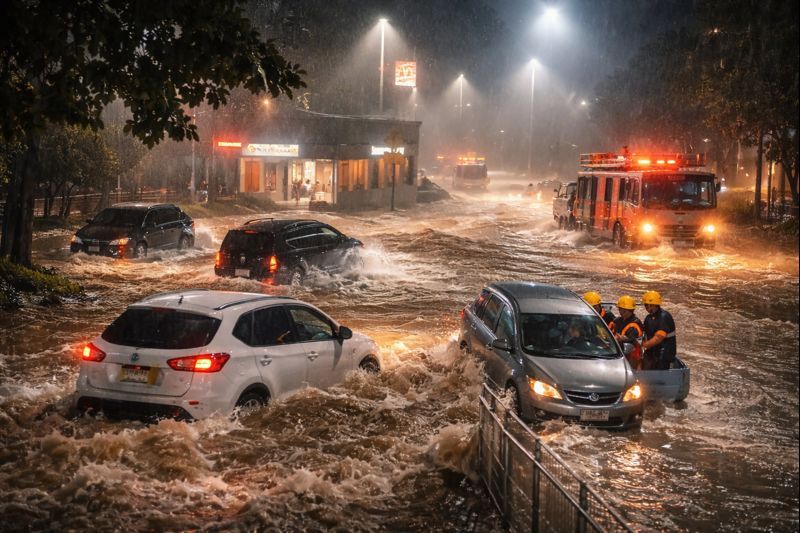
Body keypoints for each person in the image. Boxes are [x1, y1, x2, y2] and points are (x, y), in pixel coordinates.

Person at [641, 290, 676, 370]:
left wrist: (644, 346)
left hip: (664, 354)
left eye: (647, 305)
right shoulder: (649, 318)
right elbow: (645, 334)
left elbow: (658, 338)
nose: (646, 307)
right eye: (645, 305)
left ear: (653, 305)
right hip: (654, 352)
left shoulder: (663, 317)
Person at [612, 295, 644, 369]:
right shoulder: (618, 320)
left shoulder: (635, 323)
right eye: (619, 309)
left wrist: (620, 338)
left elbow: (631, 338)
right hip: (619, 351)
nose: (620, 311)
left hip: (632, 355)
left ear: (627, 310)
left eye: (621, 309)